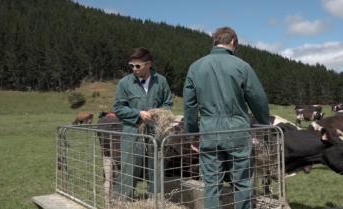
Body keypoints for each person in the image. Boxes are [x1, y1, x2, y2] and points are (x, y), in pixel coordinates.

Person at [183, 26, 270, 209]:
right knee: (243, 182)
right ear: (233, 42)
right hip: (237, 130)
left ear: (215, 41)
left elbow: (190, 106)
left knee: (212, 184)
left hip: (209, 131)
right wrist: (263, 122)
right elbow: (258, 99)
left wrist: (192, 134)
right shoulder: (242, 66)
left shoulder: (195, 67)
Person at [114, 47, 173, 200]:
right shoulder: (124, 83)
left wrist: (158, 114)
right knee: (129, 168)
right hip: (132, 133)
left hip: (155, 132)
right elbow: (119, 108)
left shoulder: (161, 81)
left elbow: (168, 103)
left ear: (149, 64)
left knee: (156, 168)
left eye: (138, 66)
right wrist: (137, 114)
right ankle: (122, 201)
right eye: (131, 65)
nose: (134, 69)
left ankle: (155, 201)